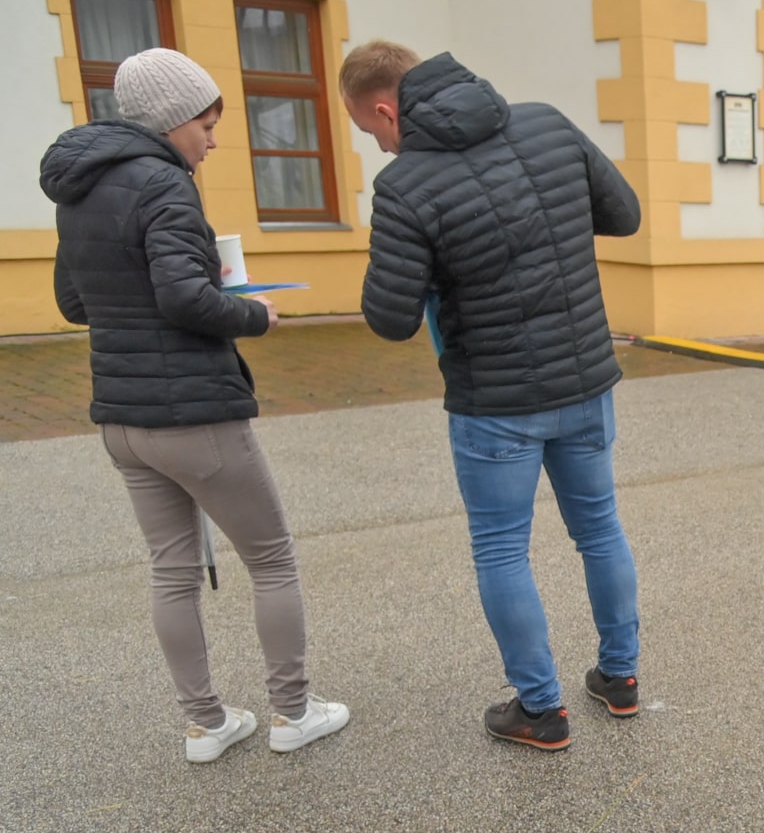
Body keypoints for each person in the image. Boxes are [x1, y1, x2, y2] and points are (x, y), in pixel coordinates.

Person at [40, 48, 349, 763]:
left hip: (122, 419)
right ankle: (293, 712)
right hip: (196, 418)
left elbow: (72, 302)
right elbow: (184, 297)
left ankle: (205, 723)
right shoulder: (166, 184)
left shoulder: (78, 189)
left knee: (170, 570)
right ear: (173, 119)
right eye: (207, 124)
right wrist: (252, 315)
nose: (213, 139)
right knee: (271, 559)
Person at [340, 41, 644, 751]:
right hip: (584, 378)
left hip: (495, 400)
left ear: (387, 109)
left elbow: (387, 318)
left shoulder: (407, 185)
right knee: (599, 527)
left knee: (503, 549)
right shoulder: (546, 122)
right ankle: (620, 678)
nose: (381, 146)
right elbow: (622, 213)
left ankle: (542, 710)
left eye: (371, 132)